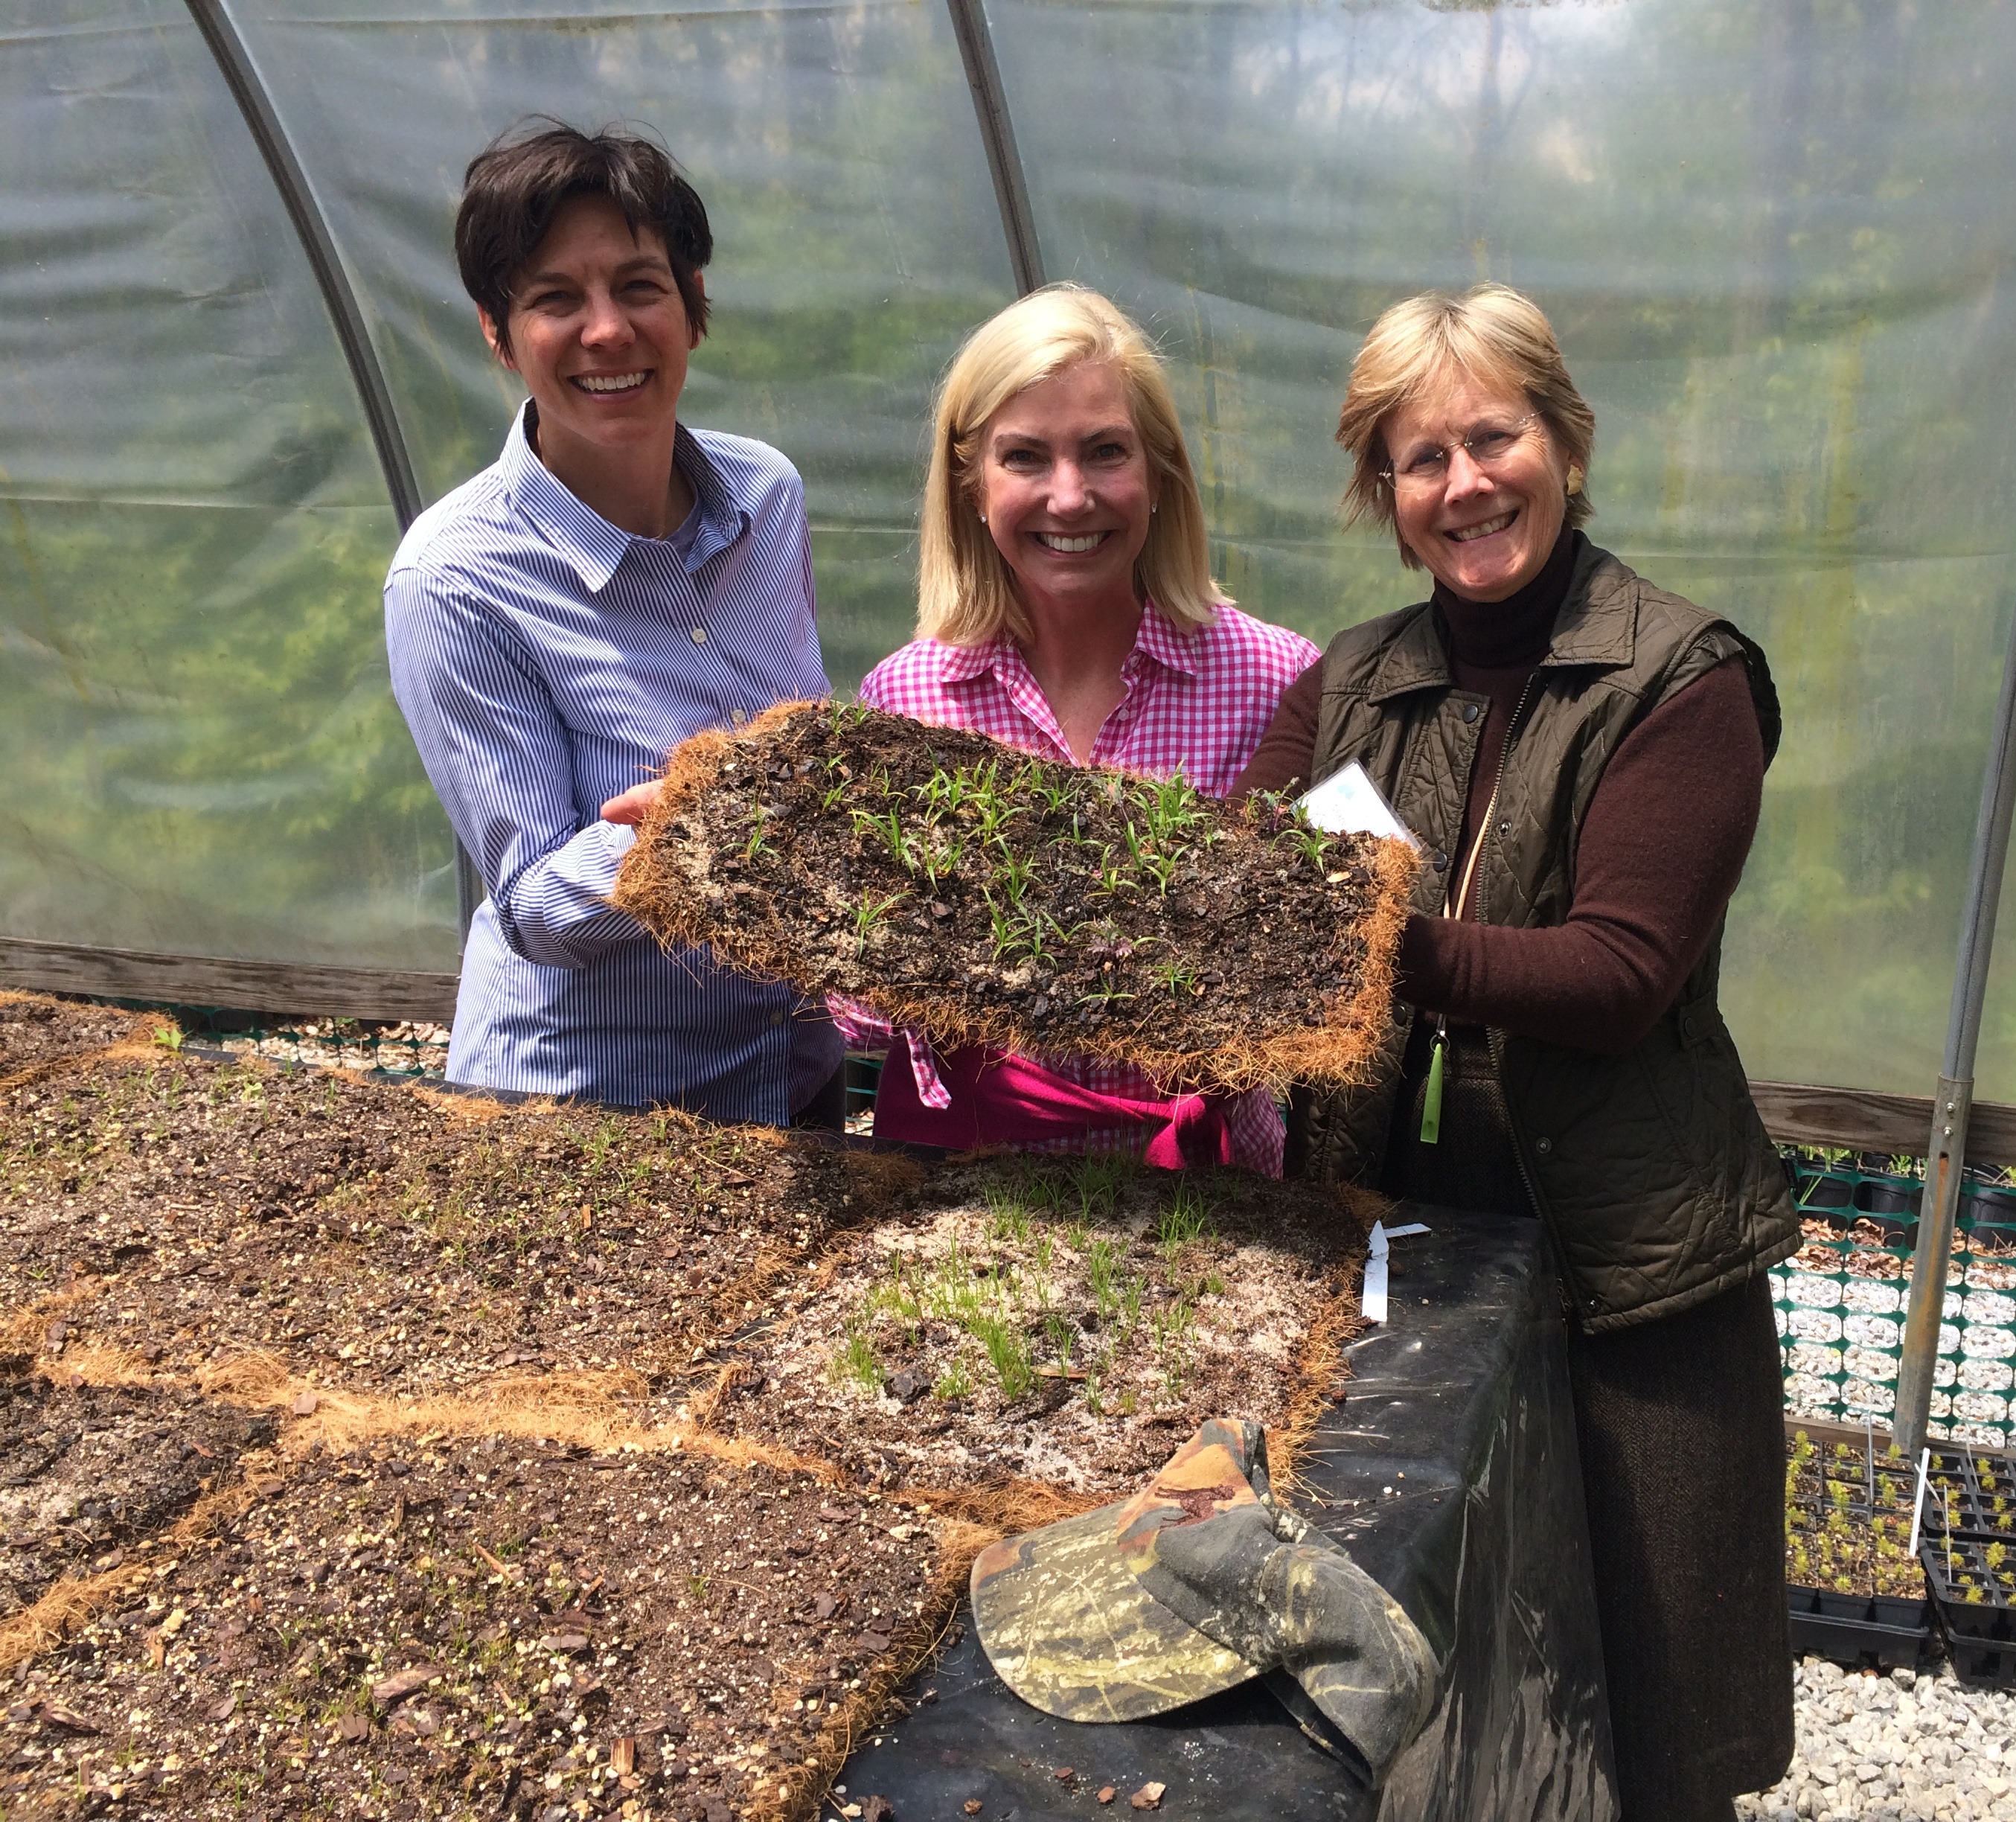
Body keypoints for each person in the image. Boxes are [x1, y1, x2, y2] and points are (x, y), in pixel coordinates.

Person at [1234, 284, 1799, 1818]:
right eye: (1421, 458)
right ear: (1386, 495)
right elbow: (1238, 888)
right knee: (1423, 1655)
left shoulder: (1680, 677)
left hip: (1630, 1259)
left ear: (1563, 442)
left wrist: (1355, 934)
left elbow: (1616, 975)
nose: (1465, 482)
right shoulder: (1348, 678)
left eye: (1496, 436)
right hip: (1394, 1238)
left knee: (1656, 1689)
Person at [385, 121, 844, 1126]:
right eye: (555, 299)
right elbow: (531, 909)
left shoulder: (768, 496)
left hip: (790, 1074)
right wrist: (677, 835)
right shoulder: (456, 577)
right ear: (498, 335)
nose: (607, 331)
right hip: (587, 1111)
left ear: (692, 307)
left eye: (640, 286)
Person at [847, 284, 1318, 1170]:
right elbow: (866, 1015)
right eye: (1025, 457)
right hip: (965, 1193)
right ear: (972, 486)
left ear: (1160, 472)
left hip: (1211, 1196)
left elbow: (1324, 980)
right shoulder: (907, 700)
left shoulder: (1275, 681)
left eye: (1105, 452)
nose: (1070, 498)